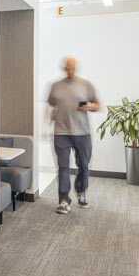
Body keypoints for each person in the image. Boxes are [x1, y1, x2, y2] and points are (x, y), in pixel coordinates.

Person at [47, 56, 100, 214]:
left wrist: (90, 106)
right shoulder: (56, 86)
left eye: (73, 68)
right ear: (64, 68)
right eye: (68, 68)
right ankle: (64, 200)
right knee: (63, 167)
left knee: (83, 165)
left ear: (76, 68)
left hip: (82, 132)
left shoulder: (86, 85)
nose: (70, 71)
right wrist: (49, 120)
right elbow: (51, 105)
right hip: (61, 133)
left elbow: (98, 105)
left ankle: (81, 191)